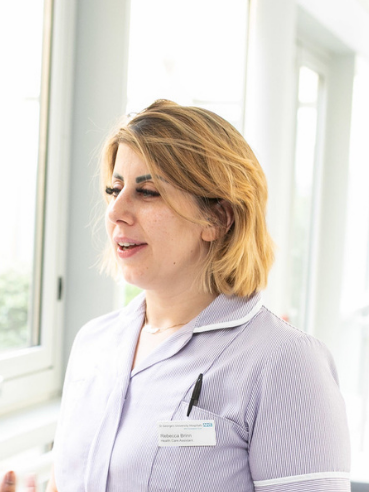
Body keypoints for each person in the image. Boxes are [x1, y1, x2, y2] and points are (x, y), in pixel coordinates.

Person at [49, 100, 352, 492]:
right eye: (114, 188)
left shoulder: (285, 365)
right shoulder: (93, 343)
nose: (116, 211)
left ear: (217, 218)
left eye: (148, 192)